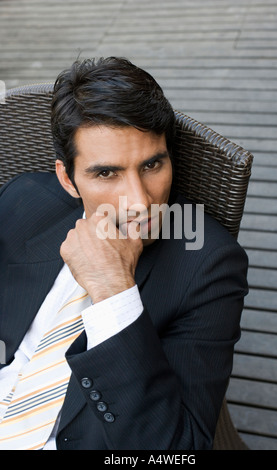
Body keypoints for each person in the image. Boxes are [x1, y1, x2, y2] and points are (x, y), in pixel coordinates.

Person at [0, 57, 248, 450]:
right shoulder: (24, 200)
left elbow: (176, 451)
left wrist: (114, 291)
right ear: (67, 178)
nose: (139, 201)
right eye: (105, 173)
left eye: (152, 164)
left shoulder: (209, 265)